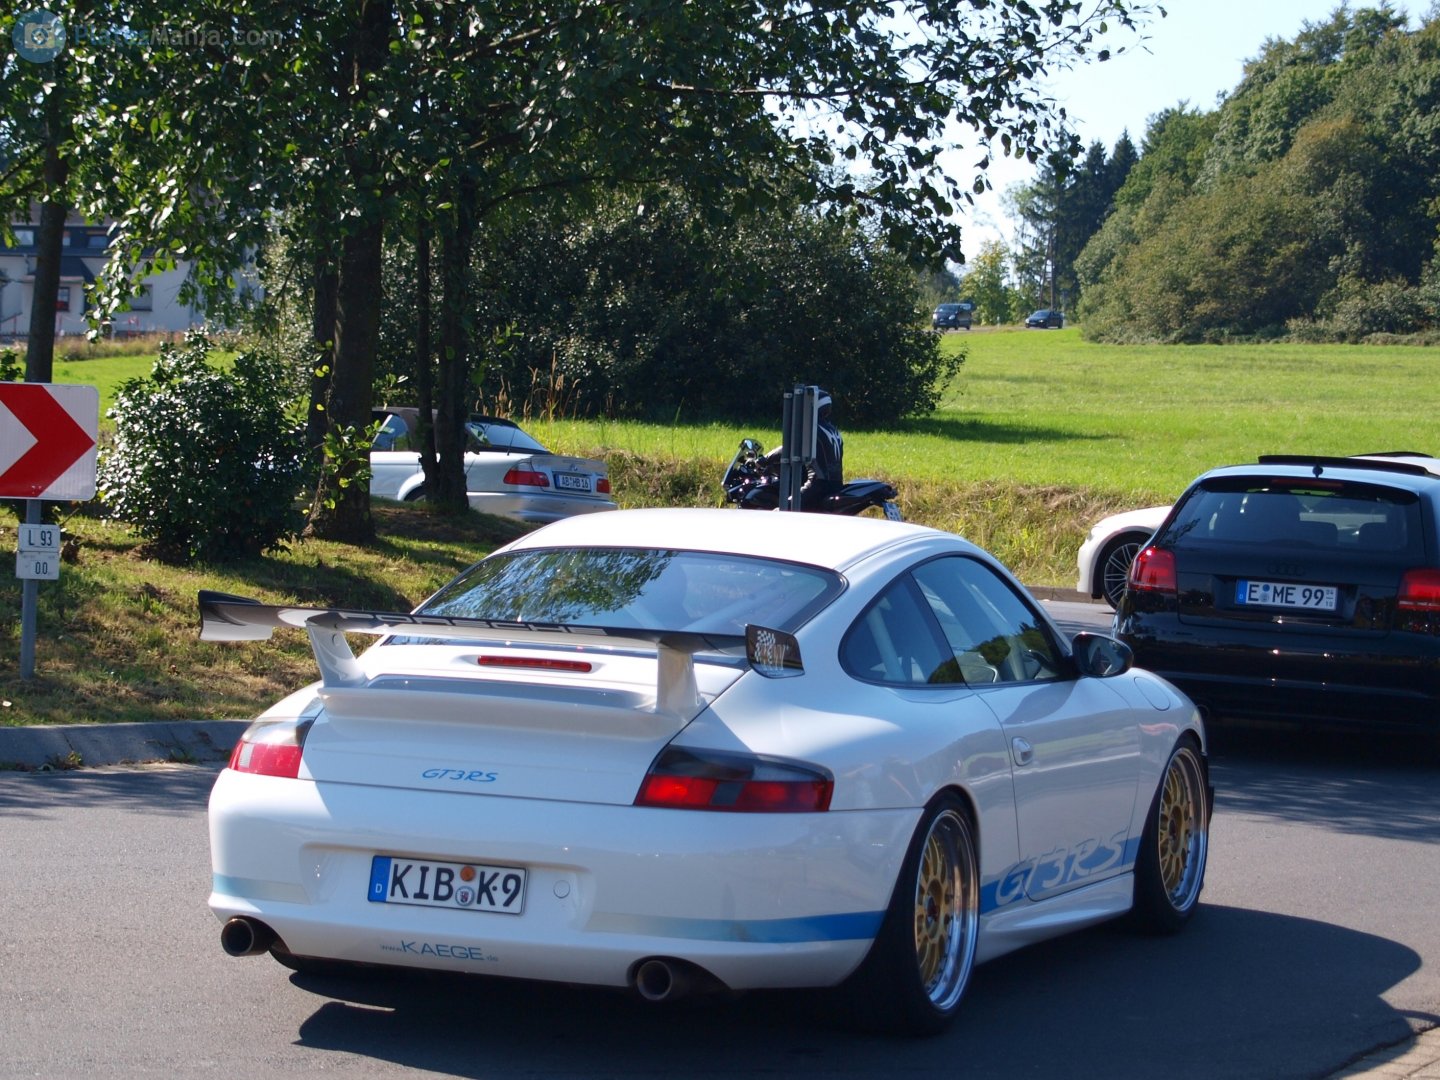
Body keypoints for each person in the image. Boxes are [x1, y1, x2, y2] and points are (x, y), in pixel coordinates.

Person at [743, 388, 844, 512]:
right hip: (837, 485)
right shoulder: (834, 431)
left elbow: (790, 448)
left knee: (782, 511)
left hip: (817, 485)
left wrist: (764, 460)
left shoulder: (812, 428)